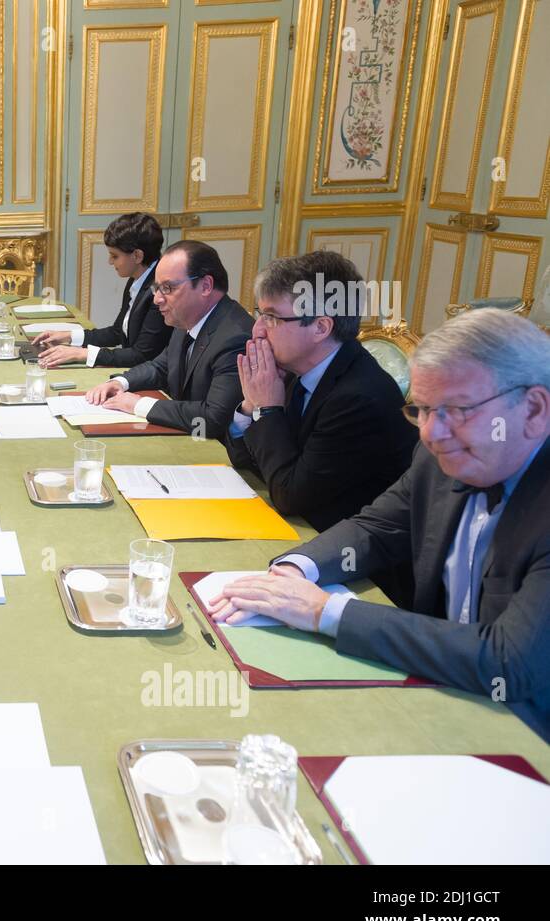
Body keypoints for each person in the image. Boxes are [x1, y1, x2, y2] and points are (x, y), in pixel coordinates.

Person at [209, 309, 550, 742]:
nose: (431, 433)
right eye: (422, 410)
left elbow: (509, 662)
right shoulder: (441, 456)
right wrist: (294, 572)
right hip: (437, 696)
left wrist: (324, 611)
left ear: (535, 409)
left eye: (456, 410)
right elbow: (375, 528)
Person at [225, 250, 418, 532]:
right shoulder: (295, 369)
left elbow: (290, 497)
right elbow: (244, 461)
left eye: (271, 317)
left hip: (352, 557)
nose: (257, 331)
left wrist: (267, 409)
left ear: (320, 327)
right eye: (260, 314)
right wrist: (249, 405)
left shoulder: (358, 399)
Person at [85, 239, 251, 439]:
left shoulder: (236, 338)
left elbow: (213, 419)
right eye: (157, 288)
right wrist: (121, 382)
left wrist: (138, 404)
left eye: (168, 288)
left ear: (206, 286)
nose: (157, 299)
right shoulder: (188, 318)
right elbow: (161, 367)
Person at [34, 212, 169, 369]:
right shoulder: (137, 278)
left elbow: (141, 355)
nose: (110, 261)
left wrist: (81, 354)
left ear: (137, 256)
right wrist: (69, 336)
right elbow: (118, 332)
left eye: (115, 256)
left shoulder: (158, 292)